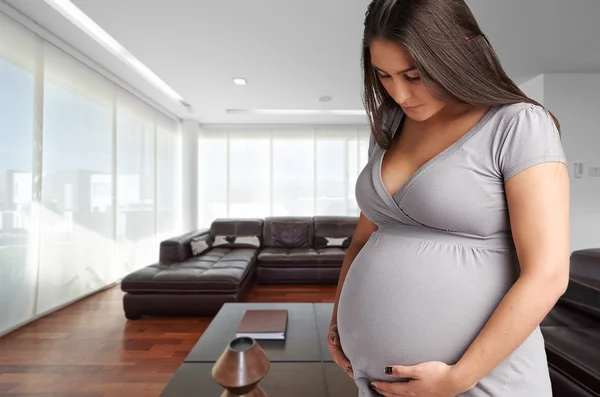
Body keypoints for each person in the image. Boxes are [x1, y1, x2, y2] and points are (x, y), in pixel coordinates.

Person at [327, 0, 570, 396]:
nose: (400, 93)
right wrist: (340, 321)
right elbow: (362, 238)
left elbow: (547, 275)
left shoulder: (518, 124)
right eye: (383, 75)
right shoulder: (389, 126)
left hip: (479, 381)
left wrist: (458, 378)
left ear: (455, 51)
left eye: (413, 74)